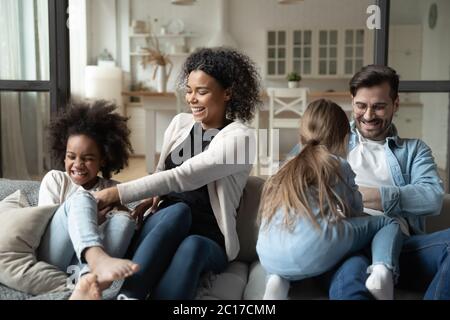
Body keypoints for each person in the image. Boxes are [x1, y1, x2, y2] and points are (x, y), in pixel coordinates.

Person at [94, 47, 262, 300]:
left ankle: (131, 295)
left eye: (202, 92)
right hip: (166, 222)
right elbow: (161, 173)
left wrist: (113, 193)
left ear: (228, 93)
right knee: (178, 211)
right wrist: (147, 201)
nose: (192, 98)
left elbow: (182, 176)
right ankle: (129, 296)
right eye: (189, 90)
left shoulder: (241, 138)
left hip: (209, 238)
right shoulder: (179, 124)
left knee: (191, 242)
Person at [289, 65, 448, 299]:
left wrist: (354, 195)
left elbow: (432, 197)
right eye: (361, 105)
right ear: (352, 100)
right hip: (343, 242)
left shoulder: (414, 151)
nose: (368, 115)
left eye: (379, 106)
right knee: (350, 276)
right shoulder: (330, 136)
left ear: (396, 104)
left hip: (400, 246)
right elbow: (289, 178)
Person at [256, 99, 403, 300]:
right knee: (388, 222)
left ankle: (278, 281)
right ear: (345, 139)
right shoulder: (337, 164)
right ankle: (381, 272)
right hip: (316, 246)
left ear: (302, 136)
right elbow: (355, 210)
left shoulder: (284, 167)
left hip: (268, 256)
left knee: (286, 239)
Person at [37, 101, 140, 297]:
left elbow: (128, 232)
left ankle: (88, 282)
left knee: (124, 220)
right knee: (83, 198)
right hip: (53, 256)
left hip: (77, 268)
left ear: (103, 159)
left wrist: (130, 214)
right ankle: (96, 264)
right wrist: (95, 219)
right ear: (64, 156)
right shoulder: (56, 180)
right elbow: (45, 227)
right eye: (71, 156)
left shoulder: (111, 189)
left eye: (88, 158)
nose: (78, 164)